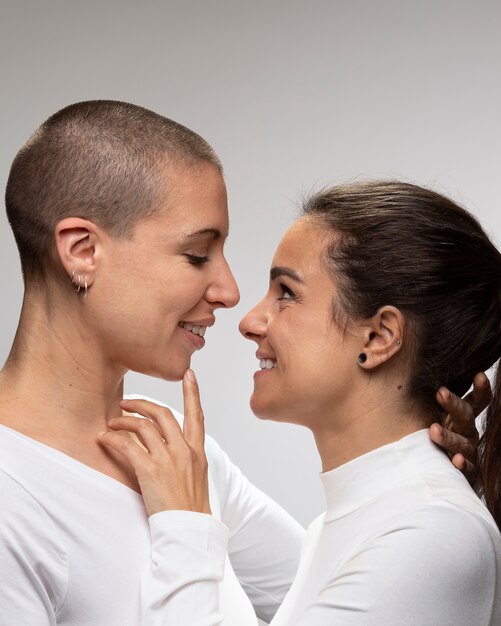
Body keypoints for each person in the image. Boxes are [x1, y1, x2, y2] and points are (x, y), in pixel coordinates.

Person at [0, 101, 483, 625]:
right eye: (196, 254)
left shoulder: (178, 457)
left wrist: (430, 495)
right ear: (83, 251)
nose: (230, 293)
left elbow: (357, 588)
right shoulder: (15, 495)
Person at [103, 181, 501, 625]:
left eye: (286, 294)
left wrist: (183, 522)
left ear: (379, 337)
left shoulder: (431, 531)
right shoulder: (359, 524)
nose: (250, 321)